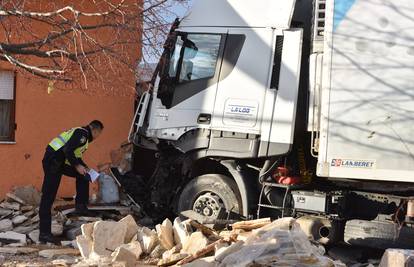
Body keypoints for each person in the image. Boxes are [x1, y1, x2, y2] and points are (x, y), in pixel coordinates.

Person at [38, 120, 104, 244]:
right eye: (98, 134)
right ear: (95, 130)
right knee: (48, 196)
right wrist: (77, 166)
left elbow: (75, 156)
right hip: (53, 161)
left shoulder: (82, 138)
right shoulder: (82, 134)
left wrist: (85, 168)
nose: (97, 137)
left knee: (83, 175)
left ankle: (81, 206)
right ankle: (44, 234)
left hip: (59, 162)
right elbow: (67, 150)